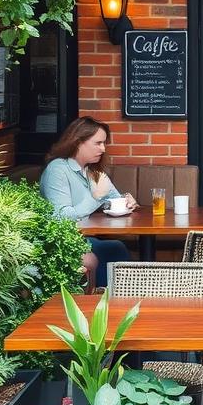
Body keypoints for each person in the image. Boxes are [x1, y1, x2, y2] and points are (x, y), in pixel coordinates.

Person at [40, 117, 136, 288]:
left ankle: (115, 299)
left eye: (104, 143)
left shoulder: (91, 169)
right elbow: (61, 216)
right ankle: (96, 303)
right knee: (107, 251)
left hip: (85, 236)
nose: (103, 149)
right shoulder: (58, 170)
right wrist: (96, 197)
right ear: (78, 142)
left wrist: (127, 200)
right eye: (98, 143)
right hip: (63, 240)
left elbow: (112, 199)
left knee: (117, 248)